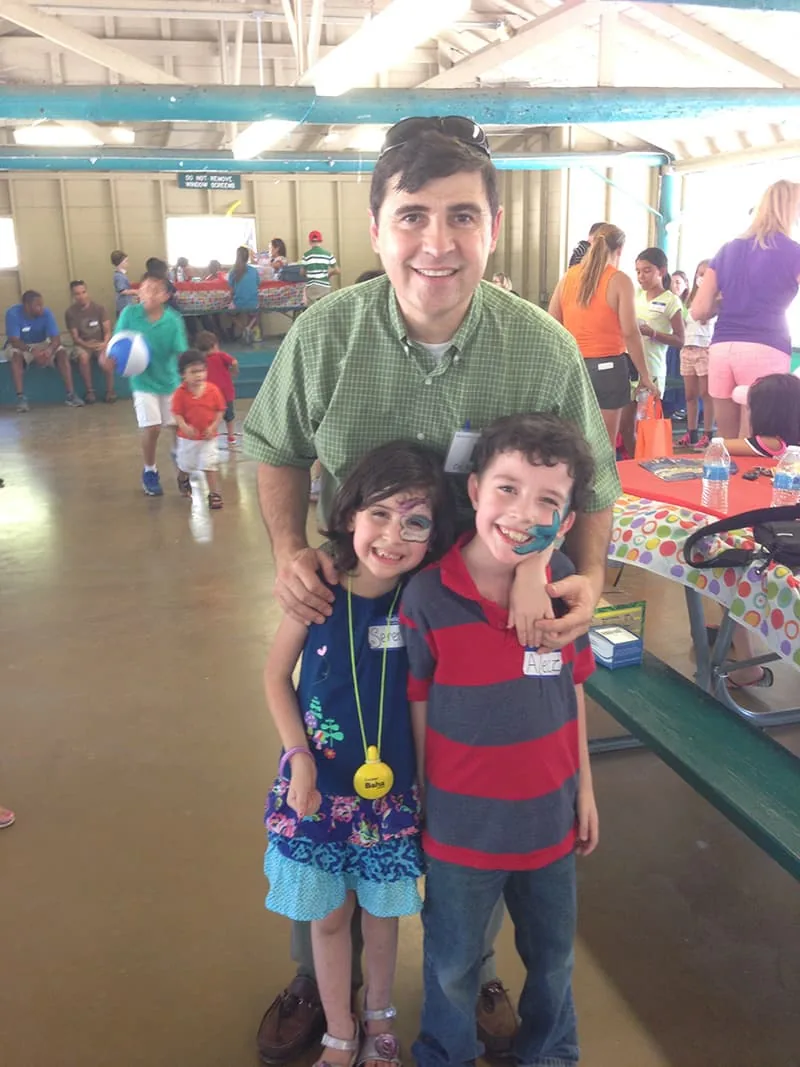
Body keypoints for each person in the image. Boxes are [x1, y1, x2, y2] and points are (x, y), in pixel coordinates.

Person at [244, 114, 619, 1065]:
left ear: (494, 228)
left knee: (463, 798)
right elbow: (276, 449)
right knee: (329, 782)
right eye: (413, 216)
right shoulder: (327, 335)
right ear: (376, 228)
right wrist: (291, 549)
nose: (437, 243)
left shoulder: (541, 348)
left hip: (484, 624)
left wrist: (582, 578)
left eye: (462, 216)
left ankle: (476, 962)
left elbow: (596, 490)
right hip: (353, 608)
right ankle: (313, 969)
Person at [401, 413, 599, 1067]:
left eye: (548, 500)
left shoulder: (562, 583)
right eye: (508, 489)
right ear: (476, 488)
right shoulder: (428, 595)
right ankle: (445, 1052)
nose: (522, 513)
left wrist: (586, 790)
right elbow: (419, 702)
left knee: (553, 959)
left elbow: (573, 685)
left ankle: (551, 1053)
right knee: (453, 961)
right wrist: (425, 802)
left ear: (566, 521)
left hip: (549, 822)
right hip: (460, 831)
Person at [264, 440, 454, 1067]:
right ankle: (339, 1028)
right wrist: (299, 756)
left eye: (416, 521)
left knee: (380, 919)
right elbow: (273, 677)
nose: (393, 536)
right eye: (379, 513)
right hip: (316, 789)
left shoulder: (423, 598)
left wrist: (426, 782)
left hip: (392, 795)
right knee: (327, 918)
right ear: (349, 514)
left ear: (434, 535)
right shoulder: (317, 589)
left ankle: (379, 1017)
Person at [691, 179, 800, 439]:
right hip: (766, 345)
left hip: (722, 348)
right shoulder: (794, 252)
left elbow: (698, 310)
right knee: (758, 441)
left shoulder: (728, 249)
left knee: (728, 443)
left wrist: (733, 301)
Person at [548, 223, 656, 449]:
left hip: (574, 367)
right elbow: (630, 332)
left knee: (575, 443)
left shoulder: (568, 277)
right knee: (603, 447)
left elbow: (552, 322)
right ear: (620, 250)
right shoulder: (619, 280)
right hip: (608, 369)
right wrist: (645, 375)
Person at [105, 272, 188, 497]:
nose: (147, 294)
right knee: (151, 428)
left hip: (169, 381)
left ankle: (179, 458)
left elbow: (181, 354)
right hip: (142, 381)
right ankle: (149, 470)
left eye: (154, 290)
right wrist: (109, 359)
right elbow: (117, 344)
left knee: (176, 427)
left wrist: (189, 380)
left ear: (165, 295)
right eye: (143, 288)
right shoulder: (129, 314)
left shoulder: (173, 320)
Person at [619, 248, 685, 457]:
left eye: (647, 271)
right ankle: (634, 462)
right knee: (625, 426)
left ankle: (649, 463)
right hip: (628, 367)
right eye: (638, 271)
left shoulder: (671, 301)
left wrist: (652, 333)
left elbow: (680, 340)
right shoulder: (634, 296)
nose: (641, 277)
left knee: (647, 426)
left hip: (653, 369)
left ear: (662, 271)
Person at [4, 290, 84, 412]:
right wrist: (32, 351)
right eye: (37, 305)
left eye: (42, 305)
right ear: (26, 306)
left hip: (42, 343)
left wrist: (49, 350)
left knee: (62, 353)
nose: (41, 308)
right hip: (21, 345)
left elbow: (55, 338)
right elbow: (14, 340)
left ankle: (71, 395)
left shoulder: (46, 313)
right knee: (16, 356)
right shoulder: (13, 313)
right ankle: (21, 398)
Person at [171, 349, 226, 509]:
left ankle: (214, 493)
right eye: (193, 372)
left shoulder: (213, 390)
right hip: (188, 439)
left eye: (201, 370)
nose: (198, 375)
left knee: (210, 464)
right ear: (183, 374)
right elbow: (177, 413)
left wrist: (213, 426)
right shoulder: (180, 394)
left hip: (209, 438)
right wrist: (184, 427)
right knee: (186, 465)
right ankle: (182, 478)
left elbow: (220, 410)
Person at [677, 260, 715, 449]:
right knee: (690, 394)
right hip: (687, 348)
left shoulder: (716, 298)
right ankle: (691, 432)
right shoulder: (688, 300)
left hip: (704, 349)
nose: (701, 278)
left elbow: (707, 319)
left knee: (706, 393)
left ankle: (708, 433)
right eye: (699, 274)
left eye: (705, 274)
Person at [65, 280, 115, 404]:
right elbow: (75, 337)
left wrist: (104, 343)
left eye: (83, 292)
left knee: (106, 358)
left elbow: (108, 331)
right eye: (77, 294)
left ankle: (110, 391)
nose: (81, 296)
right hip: (83, 344)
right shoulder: (70, 313)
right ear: (73, 296)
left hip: (100, 342)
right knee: (83, 357)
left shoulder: (99, 309)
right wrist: (88, 345)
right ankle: (90, 391)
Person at [195, 329, 239, 449]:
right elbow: (234, 362)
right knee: (229, 416)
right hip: (225, 393)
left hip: (210, 394)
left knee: (209, 416)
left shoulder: (201, 360)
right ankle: (231, 437)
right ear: (215, 345)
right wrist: (233, 371)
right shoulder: (221, 356)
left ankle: (208, 434)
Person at [225, 245, 260, 342]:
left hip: (238, 303)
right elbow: (257, 284)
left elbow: (232, 291)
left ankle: (243, 328)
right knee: (257, 311)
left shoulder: (233, 272)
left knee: (229, 313)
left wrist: (231, 300)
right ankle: (249, 327)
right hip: (253, 303)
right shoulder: (254, 270)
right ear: (247, 257)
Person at [302, 230, 340, 304]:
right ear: (321, 241)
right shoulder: (328, 254)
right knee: (324, 308)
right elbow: (337, 270)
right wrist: (329, 275)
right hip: (325, 287)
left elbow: (302, 272)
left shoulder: (306, 255)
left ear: (309, 242)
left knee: (311, 309)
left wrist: (308, 275)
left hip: (312, 287)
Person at [111, 250, 136, 315]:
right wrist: (136, 291)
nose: (127, 263)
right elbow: (122, 291)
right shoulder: (119, 276)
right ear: (120, 262)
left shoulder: (121, 275)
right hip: (123, 307)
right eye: (126, 261)